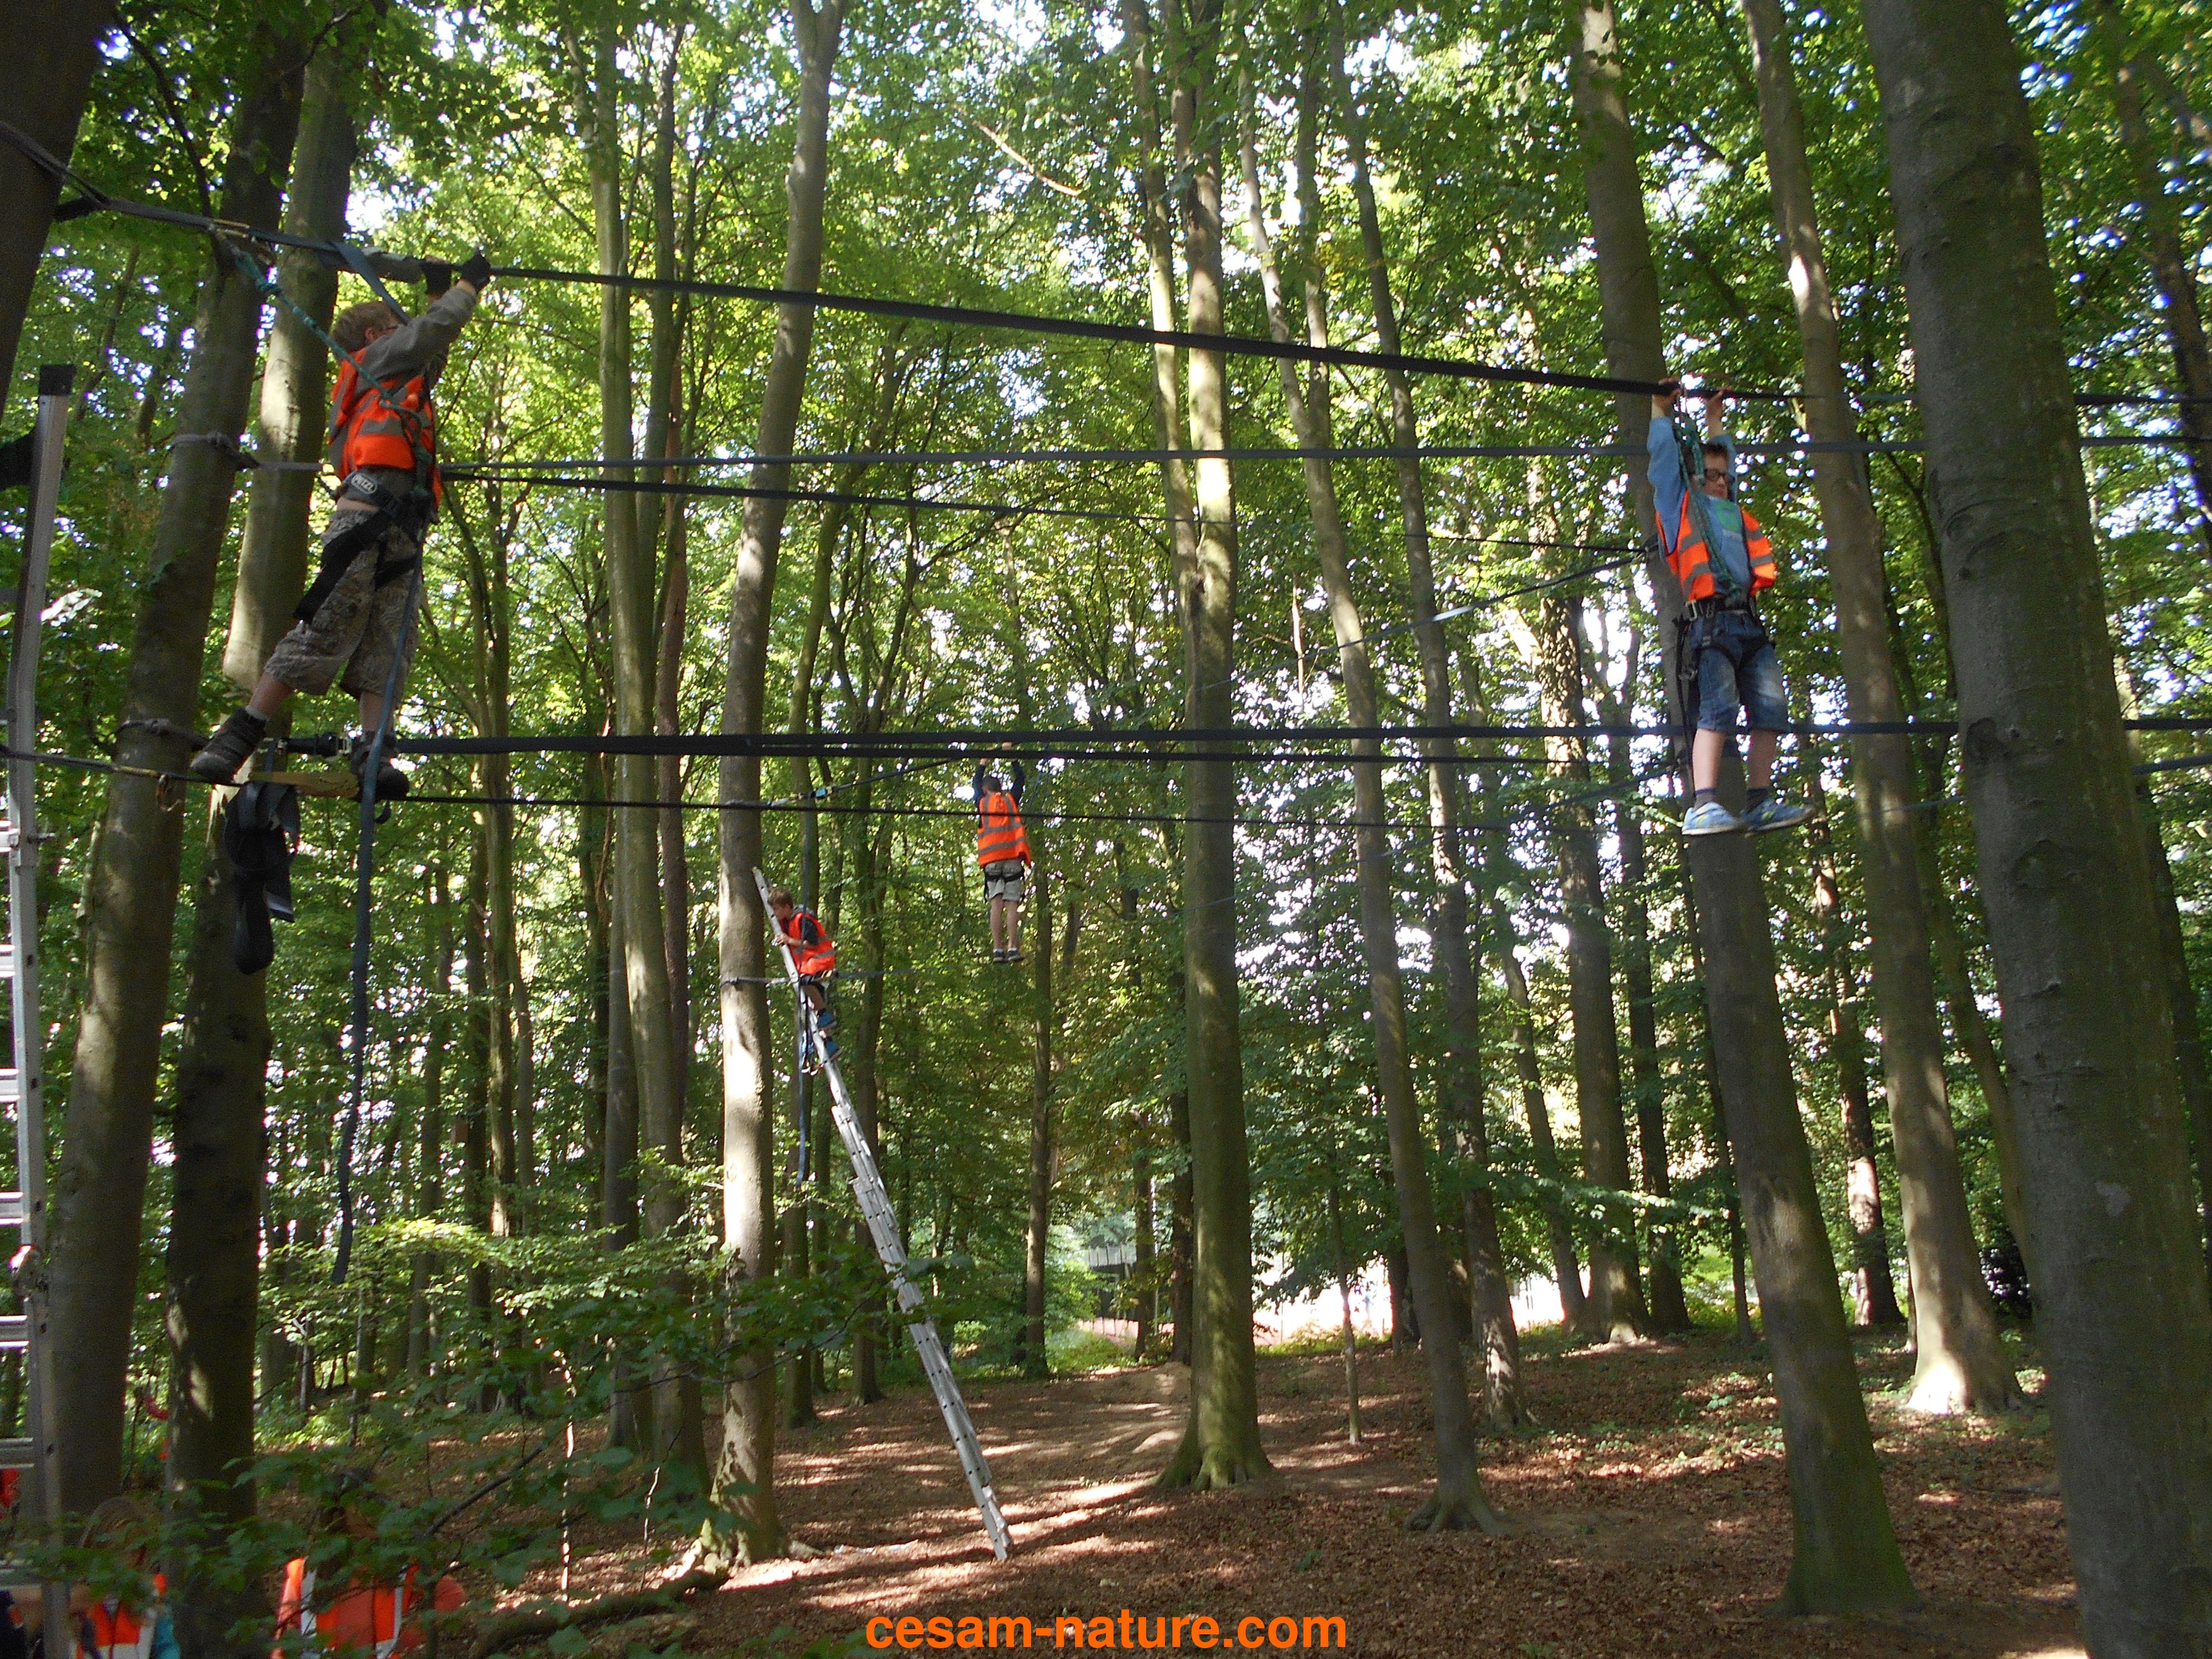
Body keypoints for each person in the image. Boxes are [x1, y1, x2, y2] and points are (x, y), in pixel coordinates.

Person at [192, 253, 495, 789]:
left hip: (404, 532)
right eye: (400, 328)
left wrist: (437, 290)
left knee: (389, 645)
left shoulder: (398, 379)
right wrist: (467, 287)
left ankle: (374, 751)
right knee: (326, 625)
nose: (409, 335)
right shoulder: (373, 359)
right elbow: (432, 333)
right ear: (377, 335)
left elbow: (432, 350)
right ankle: (241, 733)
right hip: (365, 522)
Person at [1649, 381, 1811, 836]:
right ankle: (1704, 804)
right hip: (1712, 625)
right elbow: (1664, 465)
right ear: (1694, 478)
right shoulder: (1682, 508)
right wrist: (1660, 412)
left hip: (1749, 625)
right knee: (1719, 707)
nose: (1721, 481)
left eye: (1725, 476)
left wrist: (1714, 418)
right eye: (1711, 475)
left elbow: (1725, 458)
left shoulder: (1734, 512)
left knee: (1771, 710)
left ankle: (1760, 802)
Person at [272, 1471, 462, 1659]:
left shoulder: (400, 1564)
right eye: (361, 1502)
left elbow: (452, 1595)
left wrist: (407, 1638)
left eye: (376, 1502)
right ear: (339, 1513)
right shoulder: (305, 1572)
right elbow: (284, 1642)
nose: (372, 1512)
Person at [764, 885, 838, 1058]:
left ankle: (824, 1014)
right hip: (809, 965)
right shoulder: (787, 922)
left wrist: (789, 940)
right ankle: (829, 1043)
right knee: (813, 1001)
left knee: (805, 982)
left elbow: (812, 943)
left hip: (819, 962)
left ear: (786, 907)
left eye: (777, 909)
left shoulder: (802, 919)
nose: (774, 913)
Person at [973, 752, 1031, 965]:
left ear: (985, 790)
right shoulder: (1010, 800)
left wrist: (983, 761)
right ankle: (1013, 948)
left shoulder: (982, 803)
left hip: (992, 860)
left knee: (996, 905)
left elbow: (975, 783)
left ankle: (998, 950)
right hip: (1012, 858)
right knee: (1012, 904)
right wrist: (1011, 755)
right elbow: (1021, 779)